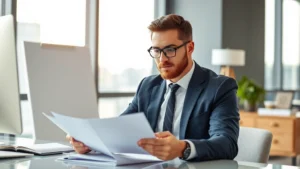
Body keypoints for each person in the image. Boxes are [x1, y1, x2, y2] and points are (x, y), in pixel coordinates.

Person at [67, 14, 239, 162]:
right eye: (156, 51)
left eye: (170, 50)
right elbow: (119, 129)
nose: (162, 59)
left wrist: (181, 148)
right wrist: (89, 142)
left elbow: (226, 143)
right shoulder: (148, 86)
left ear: (190, 48)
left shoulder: (219, 87)